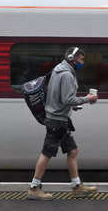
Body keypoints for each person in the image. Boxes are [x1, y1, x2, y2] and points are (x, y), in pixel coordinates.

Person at [28, 46, 99, 200]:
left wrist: (73, 105)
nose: (82, 62)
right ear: (72, 58)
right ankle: (34, 188)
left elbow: (59, 96)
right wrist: (88, 99)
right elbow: (67, 99)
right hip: (57, 121)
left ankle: (76, 186)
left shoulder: (58, 69)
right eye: (80, 59)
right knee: (47, 153)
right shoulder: (66, 74)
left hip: (59, 118)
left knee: (72, 151)